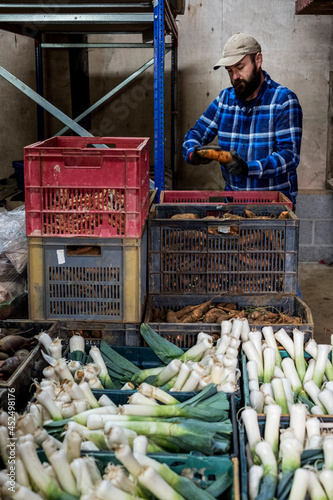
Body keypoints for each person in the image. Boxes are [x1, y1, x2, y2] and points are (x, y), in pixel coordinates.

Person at [182, 32, 303, 205]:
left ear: (258, 60)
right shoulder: (224, 101)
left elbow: (289, 156)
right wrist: (193, 153)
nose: (235, 76)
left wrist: (247, 168)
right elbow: (195, 133)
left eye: (240, 67)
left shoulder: (283, 101)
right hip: (233, 205)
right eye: (230, 71)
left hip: (273, 209)